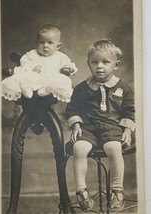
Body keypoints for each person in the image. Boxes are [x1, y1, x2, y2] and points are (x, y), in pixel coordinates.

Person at [65, 39, 135, 211]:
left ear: (116, 65)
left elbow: (130, 110)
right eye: (94, 62)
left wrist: (127, 130)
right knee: (79, 148)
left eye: (105, 62)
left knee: (113, 147)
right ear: (88, 64)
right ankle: (81, 191)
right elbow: (72, 108)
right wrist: (76, 125)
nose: (100, 66)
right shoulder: (82, 88)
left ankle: (117, 191)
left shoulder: (122, 87)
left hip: (112, 128)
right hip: (88, 128)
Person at [2, 24, 78, 103]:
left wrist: (69, 69)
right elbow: (23, 62)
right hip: (35, 79)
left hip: (51, 80)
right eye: (42, 42)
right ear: (36, 43)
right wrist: (32, 67)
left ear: (58, 46)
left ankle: (44, 91)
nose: (45, 45)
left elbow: (68, 65)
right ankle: (26, 90)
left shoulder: (60, 56)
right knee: (22, 77)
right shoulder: (32, 54)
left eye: (50, 43)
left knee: (63, 80)